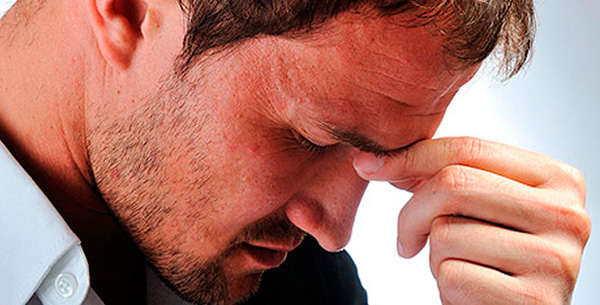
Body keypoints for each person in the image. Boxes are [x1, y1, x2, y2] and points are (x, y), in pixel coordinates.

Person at [0, 0, 591, 304]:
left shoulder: (305, 285)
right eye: (312, 138)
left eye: (384, 159)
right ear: (126, 9)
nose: (335, 233)